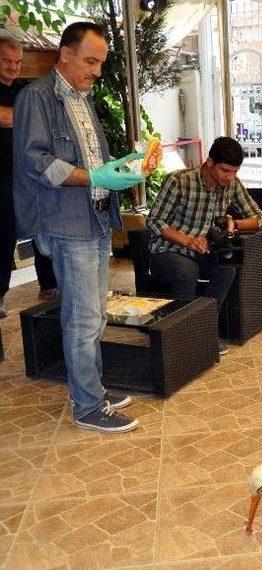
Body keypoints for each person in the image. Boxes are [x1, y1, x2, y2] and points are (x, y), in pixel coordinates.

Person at [13, 22, 146, 432]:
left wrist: (117, 171)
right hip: (66, 222)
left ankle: (89, 389)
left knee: (95, 314)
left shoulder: (82, 99)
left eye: (101, 63)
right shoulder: (36, 97)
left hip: (94, 218)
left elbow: (94, 158)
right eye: (90, 61)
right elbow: (35, 161)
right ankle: (88, 406)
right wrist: (94, 179)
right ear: (65, 54)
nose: (97, 71)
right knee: (83, 317)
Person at [147, 136, 262, 351]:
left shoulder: (232, 185)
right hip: (167, 251)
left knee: (227, 268)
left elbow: (259, 219)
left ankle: (204, 331)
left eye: (235, 172)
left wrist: (234, 223)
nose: (230, 177)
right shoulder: (178, 181)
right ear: (209, 162)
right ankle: (181, 337)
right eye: (225, 171)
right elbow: (154, 221)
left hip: (204, 251)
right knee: (187, 270)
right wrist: (188, 240)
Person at [0, 36, 58, 319]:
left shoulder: (24, 90)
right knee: (4, 236)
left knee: (42, 226)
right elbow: (7, 118)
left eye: (18, 62)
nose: (13, 67)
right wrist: (27, 118)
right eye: (6, 61)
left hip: (28, 174)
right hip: (1, 178)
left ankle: (50, 285)